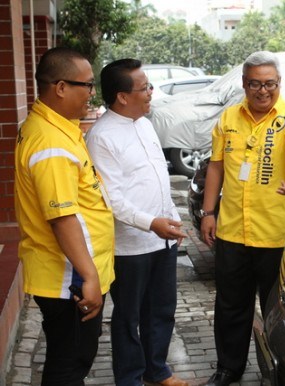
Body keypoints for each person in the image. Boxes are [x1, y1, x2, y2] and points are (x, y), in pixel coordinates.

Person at [200, 51, 285, 386]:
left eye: (269, 84)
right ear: (244, 84)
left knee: (277, 310)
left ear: (279, 83)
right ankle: (228, 368)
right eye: (255, 84)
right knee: (231, 306)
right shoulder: (228, 118)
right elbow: (216, 167)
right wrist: (208, 213)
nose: (263, 91)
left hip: (275, 235)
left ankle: (281, 368)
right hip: (232, 231)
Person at [14, 47, 115, 385]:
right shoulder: (50, 143)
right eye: (86, 85)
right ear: (60, 87)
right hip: (68, 279)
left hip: (70, 274)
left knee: (71, 359)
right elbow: (62, 218)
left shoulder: (55, 128)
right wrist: (89, 278)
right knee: (70, 365)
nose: (91, 94)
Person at [85, 59, 189, 386]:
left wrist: (171, 219)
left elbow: (159, 178)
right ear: (122, 97)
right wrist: (151, 223)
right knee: (128, 317)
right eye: (144, 88)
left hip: (163, 239)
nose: (150, 93)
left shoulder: (145, 124)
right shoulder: (101, 137)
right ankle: (130, 378)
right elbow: (112, 198)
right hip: (129, 246)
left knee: (161, 311)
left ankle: (157, 372)